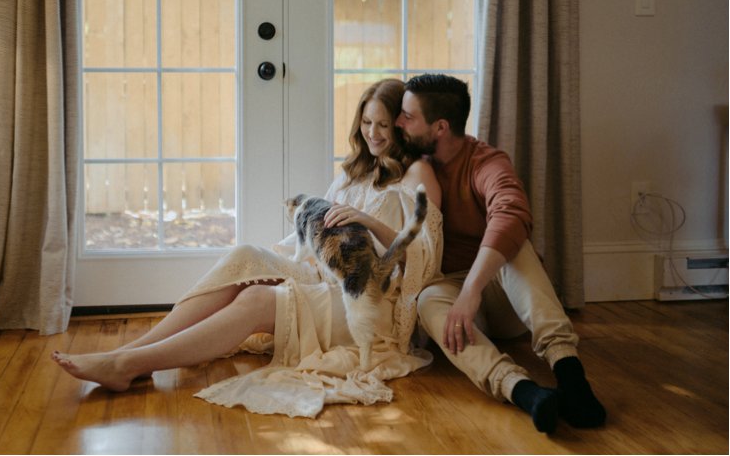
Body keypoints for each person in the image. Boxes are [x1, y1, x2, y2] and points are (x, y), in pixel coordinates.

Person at [53, 78, 444, 418]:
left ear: (399, 127)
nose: (373, 133)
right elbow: (315, 234)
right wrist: (270, 259)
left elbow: (423, 256)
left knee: (257, 299)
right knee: (246, 260)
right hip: (322, 274)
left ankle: (127, 364)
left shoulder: (417, 173)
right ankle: (134, 353)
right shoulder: (354, 169)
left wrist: (367, 220)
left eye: (382, 125)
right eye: (365, 122)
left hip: (366, 301)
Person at [395, 73, 606, 434]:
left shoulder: (485, 161)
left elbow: (511, 210)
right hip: (452, 297)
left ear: (441, 127)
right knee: (427, 299)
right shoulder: (408, 161)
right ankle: (522, 391)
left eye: (407, 117)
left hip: (501, 296)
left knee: (513, 245)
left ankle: (570, 374)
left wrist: (472, 290)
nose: (399, 123)